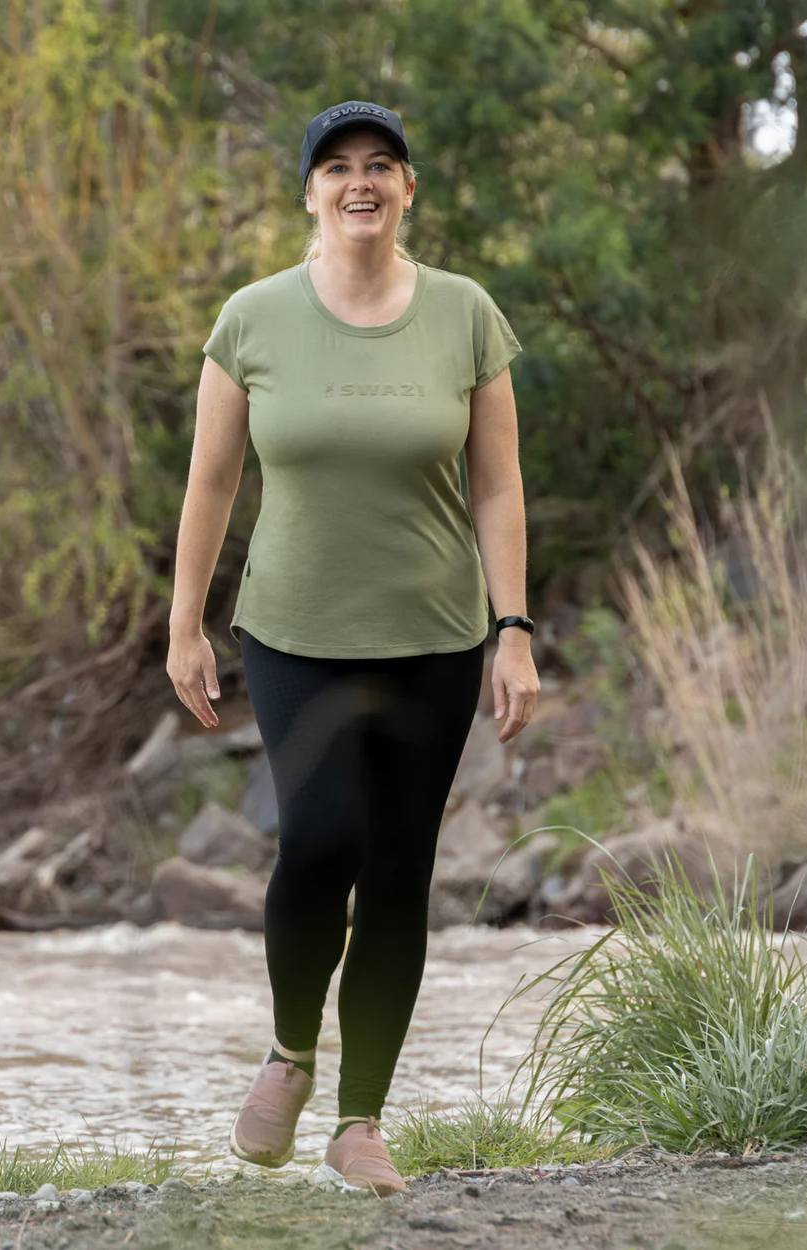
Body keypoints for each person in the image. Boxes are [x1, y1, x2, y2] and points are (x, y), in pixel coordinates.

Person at [167, 99, 540, 1197]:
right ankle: (291, 1049)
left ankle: (359, 1118)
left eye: (381, 165)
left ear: (409, 189)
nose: (360, 182)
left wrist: (511, 628)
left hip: (432, 632)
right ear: (311, 192)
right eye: (338, 168)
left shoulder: (466, 314)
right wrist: (184, 619)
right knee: (320, 837)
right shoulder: (253, 318)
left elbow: (499, 482)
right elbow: (212, 481)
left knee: (398, 874)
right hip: (294, 628)